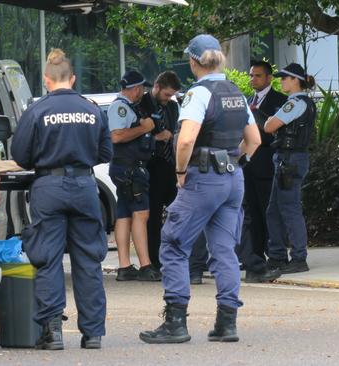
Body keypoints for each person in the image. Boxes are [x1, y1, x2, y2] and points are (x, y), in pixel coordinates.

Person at [139, 34, 261, 344]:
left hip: (203, 177)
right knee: (224, 250)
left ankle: (176, 323)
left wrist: (181, 172)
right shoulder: (236, 92)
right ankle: (226, 324)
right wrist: (234, 161)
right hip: (233, 178)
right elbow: (255, 140)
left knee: (174, 243)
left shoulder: (199, 94)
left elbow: (186, 139)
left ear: (194, 62)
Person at [11, 48, 112, 350]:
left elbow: (20, 155)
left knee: (48, 258)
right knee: (88, 261)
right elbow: (105, 154)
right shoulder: (92, 110)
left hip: (49, 187)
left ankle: (52, 331)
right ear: (73, 77)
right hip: (84, 186)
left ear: (46, 80)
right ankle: (92, 333)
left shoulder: (37, 111)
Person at [263, 62, 317, 274]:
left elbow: (269, 126)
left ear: (296, 80)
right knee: (274, 209)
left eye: (285, 78)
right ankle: (276, 255)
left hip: (291, 160)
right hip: (289, 159)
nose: (281, 81)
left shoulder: (295, 103)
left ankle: (298, 257)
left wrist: (269, 119)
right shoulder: (300, 102)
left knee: (289, 208)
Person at [107, 70, 161, 281]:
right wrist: (143, 128)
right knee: (141, 215)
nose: (144, 92)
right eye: (142, 88)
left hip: (126, 169)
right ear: (136, 88)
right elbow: (117, 136)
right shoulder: (120, 107)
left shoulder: (127, 107)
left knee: (125, 215)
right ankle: (146, 265)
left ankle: (124, 266)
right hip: (130, 169)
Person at [238, 60, 287, 283]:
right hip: (247, 163)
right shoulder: (249, 101)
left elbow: (274, 133)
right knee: (251, 212)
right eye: (251, 76)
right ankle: (253, 255)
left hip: (267, 163)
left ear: (268, 78)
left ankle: (274, 253)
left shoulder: (280, 101)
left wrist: (257, 125)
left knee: (269, 210)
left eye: (257, 76)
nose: (253, 80)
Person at [141, 71, 181, 271]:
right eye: (166, 94)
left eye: (171, 95)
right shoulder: (144, 103)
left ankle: (176, 256)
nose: (168, 99)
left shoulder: (173, 107)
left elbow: (178, 130)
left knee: (177, 211)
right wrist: (154, 137)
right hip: (152, 164)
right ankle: (154, 260)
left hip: (171, 164)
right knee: (153, 215)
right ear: (156, 87)